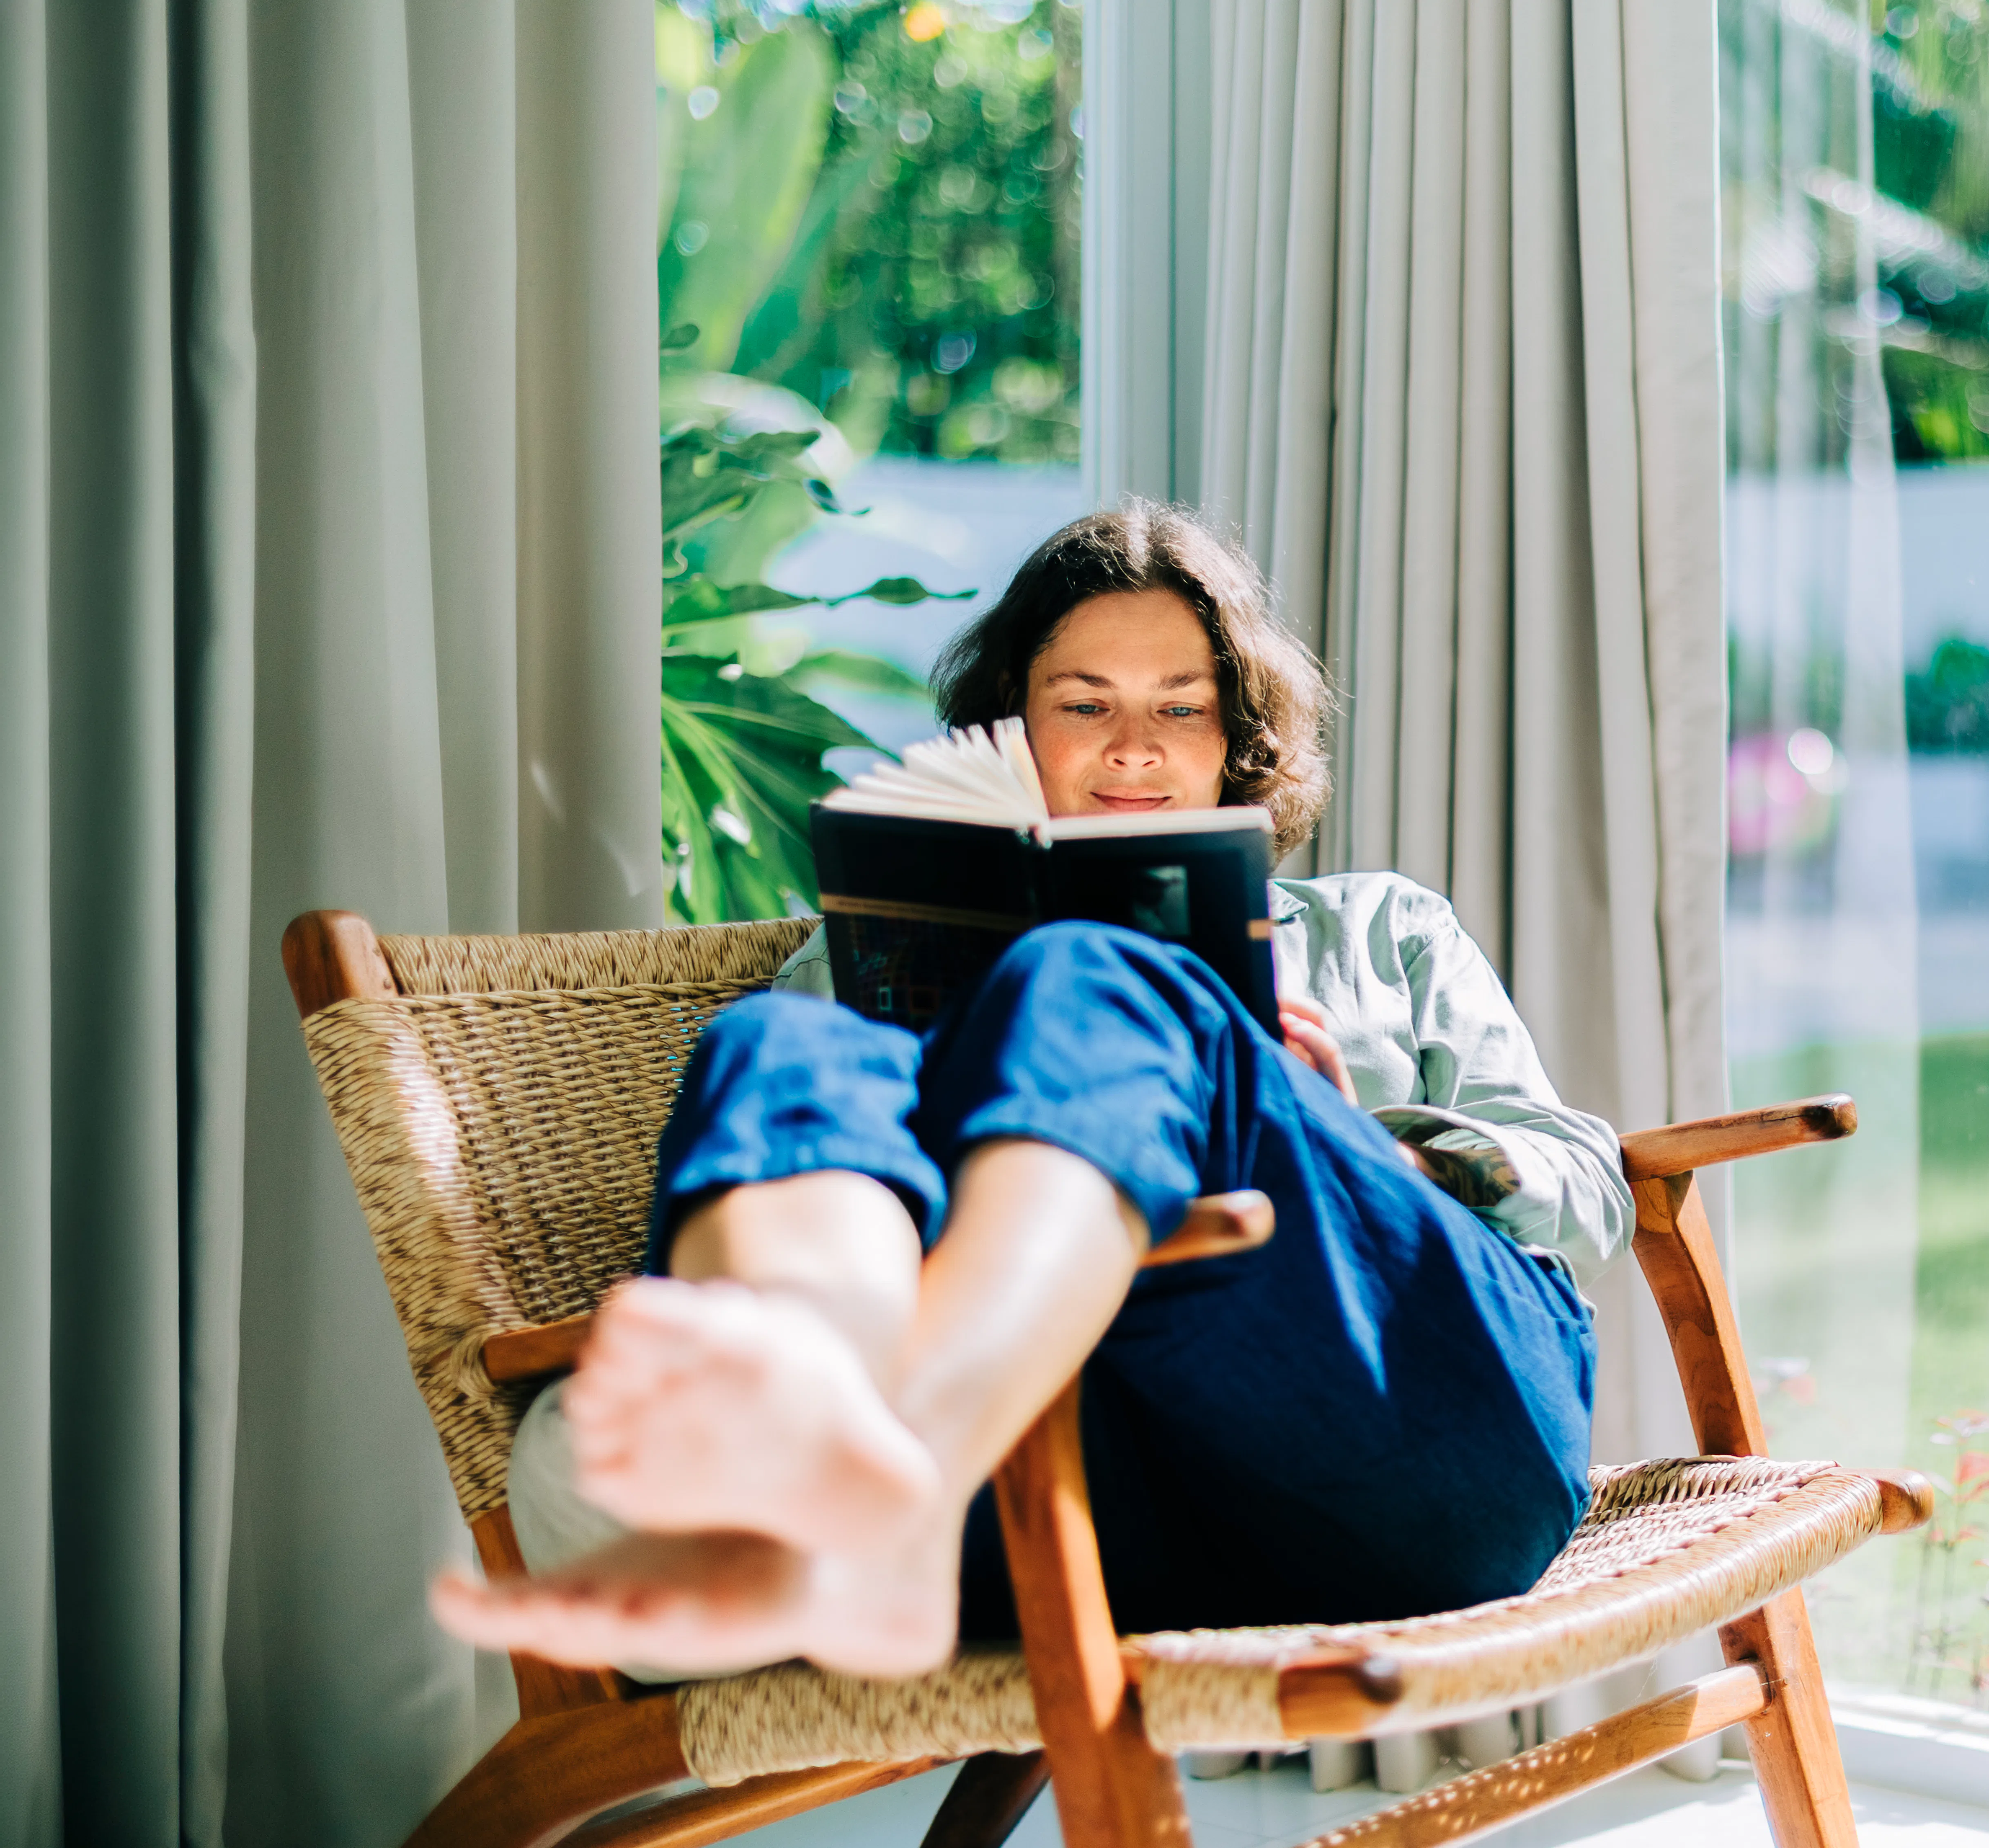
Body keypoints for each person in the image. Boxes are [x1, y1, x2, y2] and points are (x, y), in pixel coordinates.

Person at [434, 503, 1628, 1680]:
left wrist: (1355, 1144)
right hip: (1089, 1496)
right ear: (1014, 732)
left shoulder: (1383, 928)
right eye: (1084, 706)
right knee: (777, 1042)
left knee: (1088, 970)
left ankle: (889, 1477)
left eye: (1182, 708)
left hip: (1421, 1440)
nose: (1134, 748)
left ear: (1238, 742)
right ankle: (830, 1456)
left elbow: (1590, 1187)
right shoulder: (863, 969)